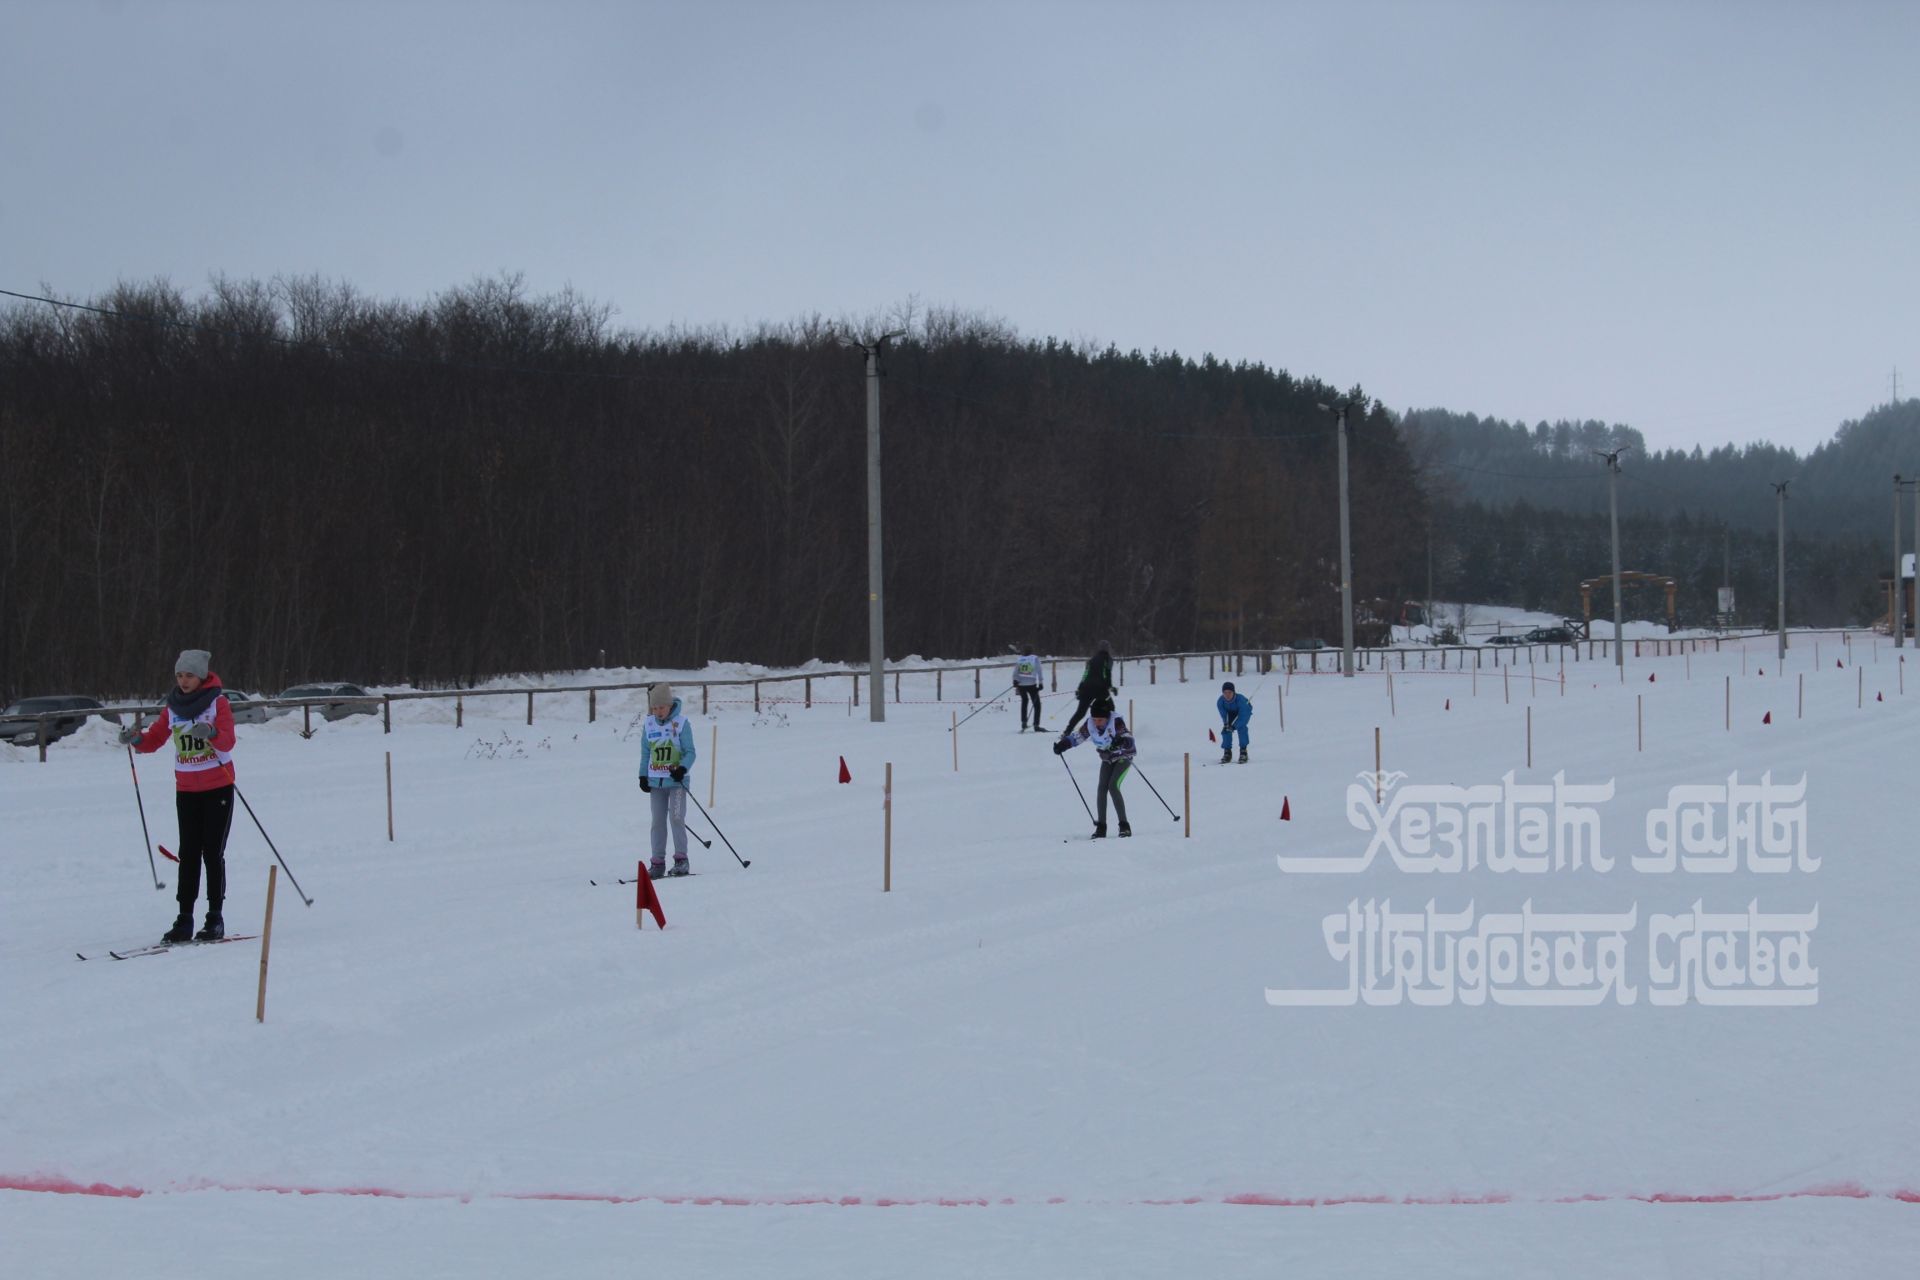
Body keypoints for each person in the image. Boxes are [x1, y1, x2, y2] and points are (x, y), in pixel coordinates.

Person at [118, 649, 237, 943]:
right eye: (179, 676)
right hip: (186, 790)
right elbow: (155, 739)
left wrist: (210, 732)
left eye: (189, 676)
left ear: (202, 676)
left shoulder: (217, 703)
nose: (183, 681)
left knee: (212, 852)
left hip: (217, 786)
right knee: (188, 854)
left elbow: (228, 741)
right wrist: (136, 740)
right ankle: (184, 919)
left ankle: (215, 918)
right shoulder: (172, 707)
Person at [637, 682, 697, 876]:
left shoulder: (681, 723)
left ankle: (681, 860)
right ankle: (657, 862)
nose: (658, 711)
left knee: (677, 818)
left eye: (661, 707)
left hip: (676, 783)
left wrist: (682, 768)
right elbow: (646, 753)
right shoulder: (649, 723)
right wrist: (642, 776)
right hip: (656, 782)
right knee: (657, 821)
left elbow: (690, 752)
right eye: (654, 708)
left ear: (669, 705)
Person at [1053, 696, 1135, 838]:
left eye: (1100, 719)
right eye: (1095, 719)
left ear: (1107, 717)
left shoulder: (1116, 722)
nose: (1097, 722)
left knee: (1113, 786)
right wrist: (1063, 745)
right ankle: (1101, 827)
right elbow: (1077, 737)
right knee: (1102, 788)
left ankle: (1124, 826)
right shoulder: (1090, 724)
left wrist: (1121, 741)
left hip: (1123, 757)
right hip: (1107, 758)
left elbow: (1128, 739)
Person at [1060, 642, 1115, 737]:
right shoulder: (1108, 659)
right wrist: (1110, 687)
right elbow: (1107, 674)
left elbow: (1085, 675)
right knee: (1111, 708)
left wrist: (1080, 688)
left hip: (1086, 689)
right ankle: (1111, 730)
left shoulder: (1092, 659)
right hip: (1100, 689)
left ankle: (1067, 731)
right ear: (1107, 649)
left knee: (1080, 712)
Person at [1217, 680, 1253, 764]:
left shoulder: (1241, 700)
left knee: (1242, 728)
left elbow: (1243, 717)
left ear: (1233, 692)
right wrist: (1227, 725)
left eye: (1229, 692)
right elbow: (1224, 714)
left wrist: (1234, 726)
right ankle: (1227, 752)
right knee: (1226, 730)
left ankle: (1243, 752)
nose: (1227, 695)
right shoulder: (1220, 702)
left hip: (1244, 711)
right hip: (1230, 713)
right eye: (1225, 693)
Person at [1012, 647, 1043, 732]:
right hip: (1032, 684)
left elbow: (1015, 671)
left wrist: (1015, 680)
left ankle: (1024, 722)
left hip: (1021, 684)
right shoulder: (1035, 659)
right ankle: (1036, 725)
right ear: (1031, 651)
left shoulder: (1020, 659)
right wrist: (1040, 683)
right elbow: (1039, 670)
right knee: (1037, 705)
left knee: (1024, 702)